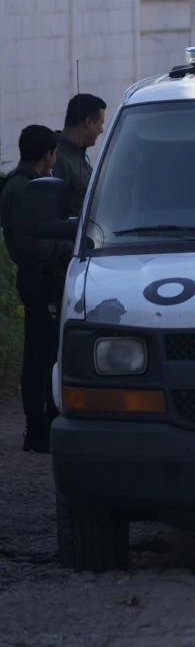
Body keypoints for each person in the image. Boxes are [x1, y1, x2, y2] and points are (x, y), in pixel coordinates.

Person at [1, 126, 72, 453]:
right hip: (38, 279)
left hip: (43, 278)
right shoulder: (23, 188)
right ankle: (37, 429)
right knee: (38, 358)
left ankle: (46, 423)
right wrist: (62, 247)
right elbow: (28, 241)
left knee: (47, 355)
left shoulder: (28, 184)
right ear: (49, 154)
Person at [53, 93, 106, 218]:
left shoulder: (78, 156)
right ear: (88, 122)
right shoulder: (56, 159)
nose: (101, 130)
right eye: (100, 123)